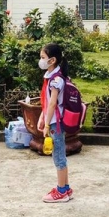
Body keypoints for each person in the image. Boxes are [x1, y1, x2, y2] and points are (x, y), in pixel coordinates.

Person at [37, 43, 74, 203]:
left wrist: (46, 125)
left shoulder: (56, 80)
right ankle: (65, 188)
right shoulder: (54, 76)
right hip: (54, 120)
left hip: (55, 123)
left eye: (43, 58)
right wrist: (41, 117)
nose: (41, 61)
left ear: (52, 60)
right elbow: (47, 103)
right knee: (60, 154)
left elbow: (52, 104)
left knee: (58, 156)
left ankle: (61, 192)